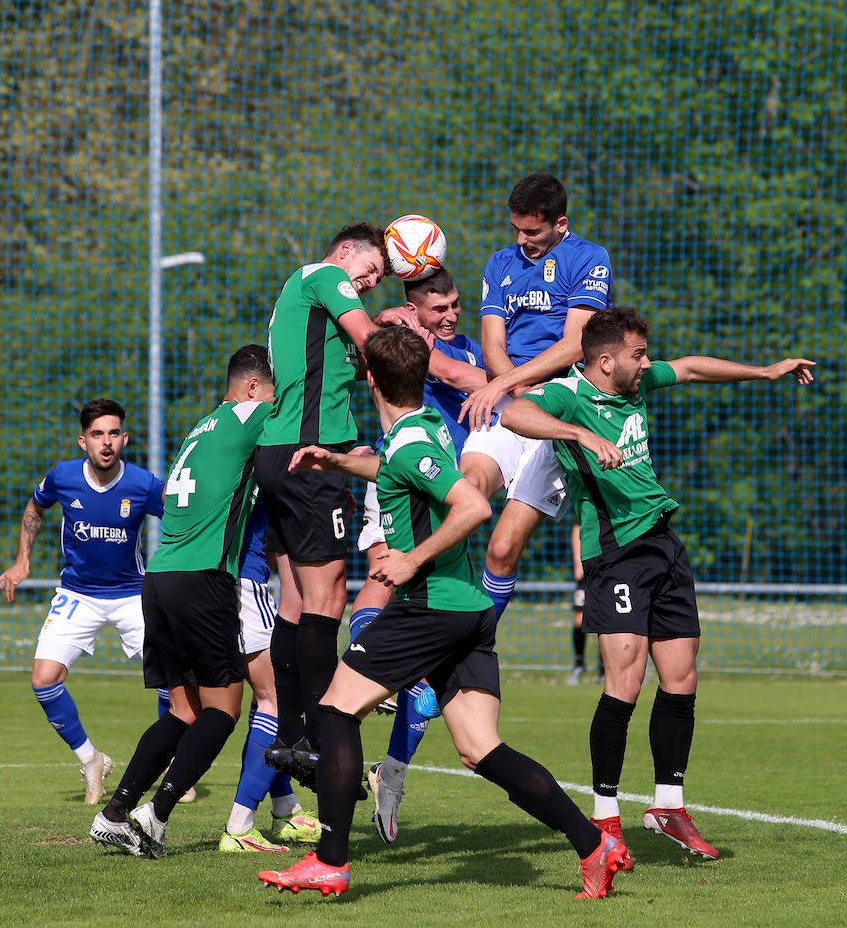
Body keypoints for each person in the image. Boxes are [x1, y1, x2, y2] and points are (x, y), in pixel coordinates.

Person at [256, 326, 633, 899]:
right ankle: (593, 844)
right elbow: (401, 471)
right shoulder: (425, 428)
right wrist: (336, 463)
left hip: (429, 608)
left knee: (334, 712)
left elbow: (474, 505)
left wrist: (412, 560)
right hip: (468, 610)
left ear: (372, 381)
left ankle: (330, 860)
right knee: (481, 748)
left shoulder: (411, 441)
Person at [501, 305, 815, 862]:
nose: (647, 364)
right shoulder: (568, 394)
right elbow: (516, 413)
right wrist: (578, 434)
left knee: (682, 676)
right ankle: (605, 818)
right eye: (638, 355)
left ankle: (668, 805)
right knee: (625, 679)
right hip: (616, 553)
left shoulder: (635, 384)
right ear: (604, 360)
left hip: (663, 545)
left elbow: (691, 367)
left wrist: (765, 372)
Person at [89, 345, 275, 858]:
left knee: (182, 711)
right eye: (272, 393)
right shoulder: (253, 414)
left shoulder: (202, 427)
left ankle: (115, 813)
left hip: (161, 577)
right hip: (203, 578)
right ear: (254, 388)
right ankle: (158, 814)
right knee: (224, 709)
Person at [254, 223, 410, 773]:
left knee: (295, 605)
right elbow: (373, 344)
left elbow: (358, 348)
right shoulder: (324, 274)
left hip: (281, 452)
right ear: (345, 252)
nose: (370, 283)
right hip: (309, 456)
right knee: (328, 602)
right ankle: (320, 736)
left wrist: (382, 324)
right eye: (369, 271)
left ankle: (291, 736)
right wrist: (414, 343)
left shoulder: (311, 302)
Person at [343, 268, 490, 845]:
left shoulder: (465, 348)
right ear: (410, 306)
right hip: (401, 480)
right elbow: (385, 340)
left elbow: (477, 375)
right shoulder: (397, 334)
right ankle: (365, 667)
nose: (451, 315)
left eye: (456, 305)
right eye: (438, 308)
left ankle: (392, 774)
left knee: (431, 685)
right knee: (382, 578)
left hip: (440, 492)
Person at [457, 172, 614, 620]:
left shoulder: (589, 258)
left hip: (559, 407)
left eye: (533, 231)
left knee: (503, 548)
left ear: (560, 224)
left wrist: (511, 385)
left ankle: (477, 638)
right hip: (509, 400)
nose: (522, 240)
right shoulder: (500, 263)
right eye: (516, 230)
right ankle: (440, 625)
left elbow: (574, 344)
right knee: (464, 501)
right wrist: (514, 387)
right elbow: (491, 347)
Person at [0, 398, 164, 805]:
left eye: (113, 433)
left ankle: (174, 764)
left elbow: (182, 521)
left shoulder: (143, 484)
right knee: (44, 680)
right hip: (77, 594)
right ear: (82, 441)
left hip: (131, 595)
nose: (105, 442)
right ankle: (91, 759)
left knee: (173, 679)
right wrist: (22, 562)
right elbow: (35, 507)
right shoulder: (63, 477)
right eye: (96, 434)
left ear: (124, 438)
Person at [219, 501, 322, 853]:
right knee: (276, 701)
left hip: (211, 580)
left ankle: (285, 808)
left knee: (264, 699)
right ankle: (240, 826)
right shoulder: (272, 458)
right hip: (246, 582)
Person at [565, 521, 602, 685]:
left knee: (606, 621)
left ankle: (604, 669)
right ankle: (579, 665)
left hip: (606, 571)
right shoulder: (585, 505)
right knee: (579, 620)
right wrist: (577, 562)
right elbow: (577, 526)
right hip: (587, 570)